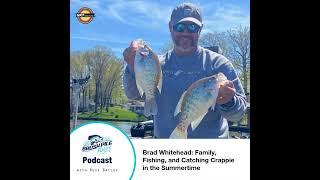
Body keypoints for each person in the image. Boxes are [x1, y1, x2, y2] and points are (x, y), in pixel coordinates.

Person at [122, 2, 248, 138]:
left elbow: (238, 114)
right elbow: (133, 95)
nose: (186, 33)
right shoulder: (156, 64)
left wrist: (228, 101)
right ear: (170, 27)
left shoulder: (219, 64)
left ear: (200, 29)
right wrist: (131, 67)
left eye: (193, 27)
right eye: (180, 27)